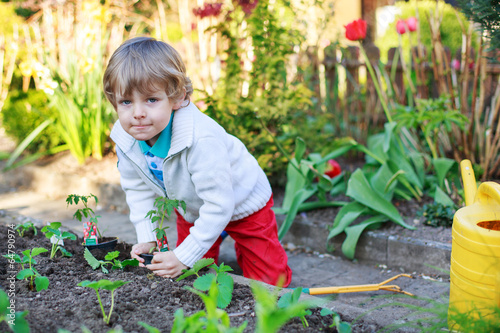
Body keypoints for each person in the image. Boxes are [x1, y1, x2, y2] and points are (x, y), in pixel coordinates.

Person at [103, 36, 292, 287]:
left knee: (271, 285)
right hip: (193, 209)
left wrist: (181, 255)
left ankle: (246, 248)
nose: (137, 113)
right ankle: (213, 239)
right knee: (191, 277)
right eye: (126, 102)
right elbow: (137, 189)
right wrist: (147, 238)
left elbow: (220, 205)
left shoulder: (200, 138)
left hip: (242, 204)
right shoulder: (127, 140)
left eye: (151, 100)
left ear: (178, 97)